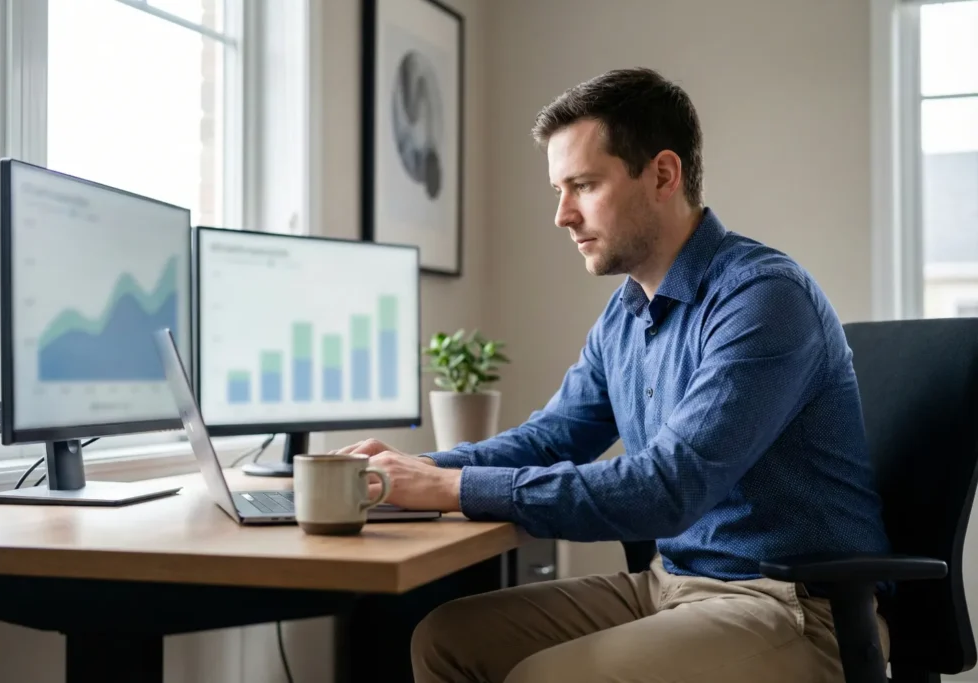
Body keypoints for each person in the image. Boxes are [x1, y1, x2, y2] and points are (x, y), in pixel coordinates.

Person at [331, 67, 891, 683]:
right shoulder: (625, 315)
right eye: (558, 189)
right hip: (669, 584)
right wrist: (415, 473)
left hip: (795, 607)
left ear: (662, 175)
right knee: (447, 639)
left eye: (584, 185)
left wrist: (450, 491)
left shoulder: (762, 298)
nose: (562, 215)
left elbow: (667, 487)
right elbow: (549, 439)